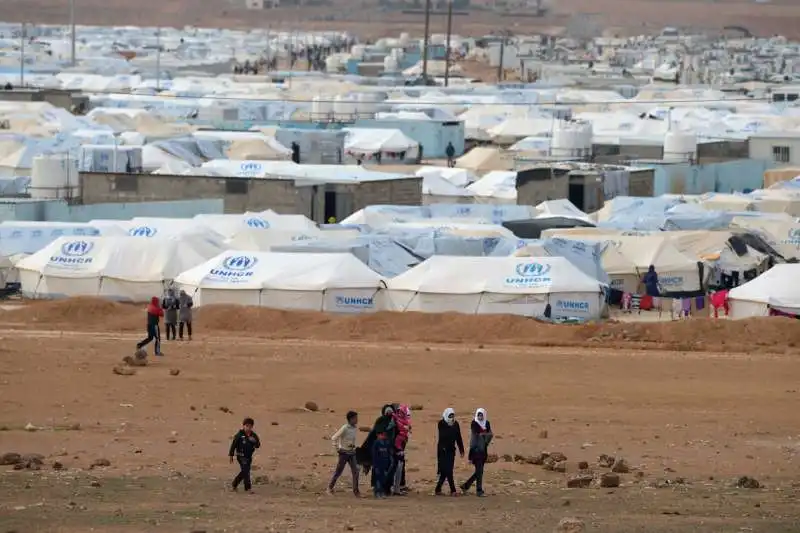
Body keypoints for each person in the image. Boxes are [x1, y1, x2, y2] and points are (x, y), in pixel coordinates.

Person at [461, 408, 493, 497]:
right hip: (475, 451)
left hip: (483, 451)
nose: (480, 417)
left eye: (481, 415)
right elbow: (475, 436)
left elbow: (490, 434)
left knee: (479, 472)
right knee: (479, 471)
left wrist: (484, 436)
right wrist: (470, 456)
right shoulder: (474, 423)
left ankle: (466, 486)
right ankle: (479, 491)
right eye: (478, 415)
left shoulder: (487, 423)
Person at [328, 411, 360, 496]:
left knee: (356, 471)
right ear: (351, 419)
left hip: (352, 452)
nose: (357, 420)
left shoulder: (354, 428)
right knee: (339, 471)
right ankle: (330, 487)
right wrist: (338, 448)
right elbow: (334, 437)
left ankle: (356, 491)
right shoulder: (345, 428)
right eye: (355, 418)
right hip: (344, 453)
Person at [435, 407, 464, 496]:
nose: (451, 418)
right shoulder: (441, 424)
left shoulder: (456, 424)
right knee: (447, 471)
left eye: (453, 416)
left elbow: (458, 437)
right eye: (450, 416)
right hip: (442, 451)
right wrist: (450, 426)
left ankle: (438, 489)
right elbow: (443, 435)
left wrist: (461, 449)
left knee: (446, 471)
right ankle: (453, 490)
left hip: (451, 451)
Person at [229, 417, 261, 493]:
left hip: (248, 457)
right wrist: (231, 456)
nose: (248, 428)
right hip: (241, 456)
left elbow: (258, 445)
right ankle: (248, 488)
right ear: (243, 426)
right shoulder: (239, 435)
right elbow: (233, 445)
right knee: (246, 471)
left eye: (250, 426)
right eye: (247, 426)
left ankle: (234, 484)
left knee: (244, 471)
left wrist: (254, 441)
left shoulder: (253, 435)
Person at [391, 404, 412, 496]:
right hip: (396, 448)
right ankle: (395, 487)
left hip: (400, 446)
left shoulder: (401, 421)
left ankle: (399, 486)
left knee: (400, 466)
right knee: (397, 466)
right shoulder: (395, 421)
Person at [371, 431, 393, 499]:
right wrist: (375, 466)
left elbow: (389, 454)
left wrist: (389, 465)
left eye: (385, 435)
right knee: (378, 479)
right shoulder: (376, 443)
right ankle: (377, 492)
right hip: (378, 465)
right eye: (382, 435)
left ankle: (382, 492)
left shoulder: (387, 443)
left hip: (385, 465)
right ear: (378, 435)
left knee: (383, 479)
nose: (383, 436)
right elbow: (374, 456)